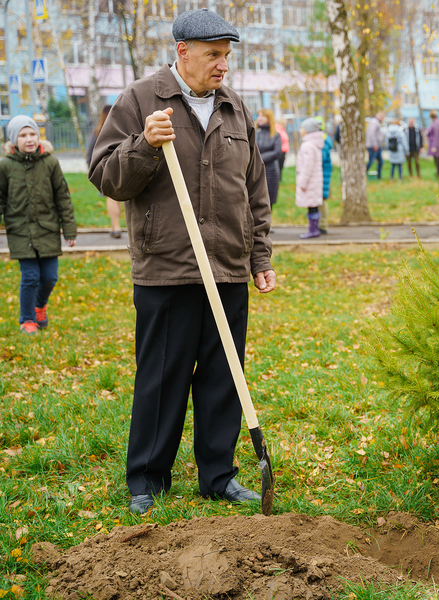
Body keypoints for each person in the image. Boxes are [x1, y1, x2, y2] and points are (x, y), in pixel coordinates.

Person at [88, 8, 276, 515]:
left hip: (228, 265)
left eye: (227, 56)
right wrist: (144, 144)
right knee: (163, 377)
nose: (223, 66)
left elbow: (253, 188)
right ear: (183, 52)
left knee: (223, 376)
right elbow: (106, 176)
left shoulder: (234, 106)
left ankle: (219, 476)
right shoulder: (140, 100)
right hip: (167, 266)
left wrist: (259, 252)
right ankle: (147, 479)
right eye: (213, 55)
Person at [1, 115, 77, 334]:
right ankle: (27, 319)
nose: (29, 139)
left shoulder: (50, 163)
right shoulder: (5, 166)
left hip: (47, 229)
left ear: (39, 136)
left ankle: (39, 306)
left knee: (50, 277)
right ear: (14, 140)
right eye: (23, 135)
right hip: (20, 231)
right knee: (31, 276)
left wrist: (69, 229)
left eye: (32, 133)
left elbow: (62, 197)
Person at [86, 105, 122, 238]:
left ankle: (115, 227)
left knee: (112, 197)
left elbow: (90, 154)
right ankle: (116, 227)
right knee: (116, 198)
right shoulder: (120, 130)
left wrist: (94, 169)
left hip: (105, 170)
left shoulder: (98, 132)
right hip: (119, 168)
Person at [295, 118, 325, 238]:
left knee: (311, 207)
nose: (300, 130)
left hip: (310, 182)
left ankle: (313, 230)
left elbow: (307, 166)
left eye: (302, 128)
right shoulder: (314, 145)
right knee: (313, 206)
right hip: (314, 181)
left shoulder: (308, 146)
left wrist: (302, 182)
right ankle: (314, 228)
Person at [255, 108, 282, 208]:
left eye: (263, 116)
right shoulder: (253, 132)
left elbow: (277, 152)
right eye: (259, 115)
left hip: (271, 171)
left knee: (268, 201)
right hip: (255, 170)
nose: (260, 118)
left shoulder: (275, 134)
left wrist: (260, 158)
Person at [425, 111, 439, 181]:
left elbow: (436, 135)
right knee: (438, 161)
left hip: (437, 145)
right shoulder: (438, 123)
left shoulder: (436, 124)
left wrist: (434, 146)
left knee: (437, 160)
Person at [365, 111, 385, 179]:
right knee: (371, 160)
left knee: (380, 161)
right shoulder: (374, 122)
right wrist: (375, 144)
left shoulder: (376, 122)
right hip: (373, 146)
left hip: (377, 145)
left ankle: (379, 176)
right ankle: (363, 173)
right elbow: (372, 134)